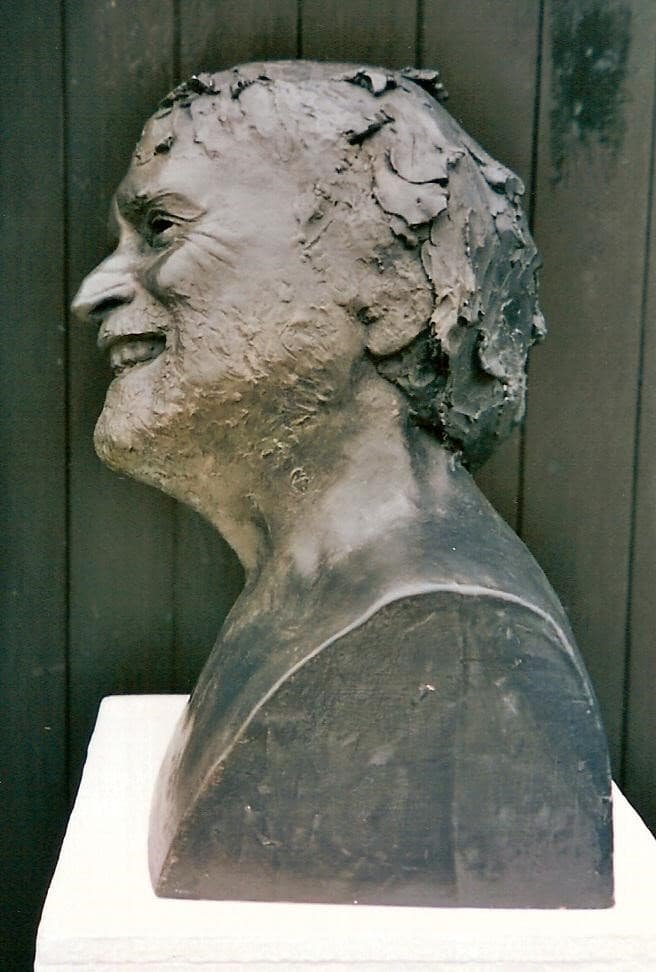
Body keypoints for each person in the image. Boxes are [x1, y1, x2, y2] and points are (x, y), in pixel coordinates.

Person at [72, 61, 612, 907]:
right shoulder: (315, 601)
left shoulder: (451, 638)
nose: (94, 292)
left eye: (162, 229)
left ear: (389, 292)